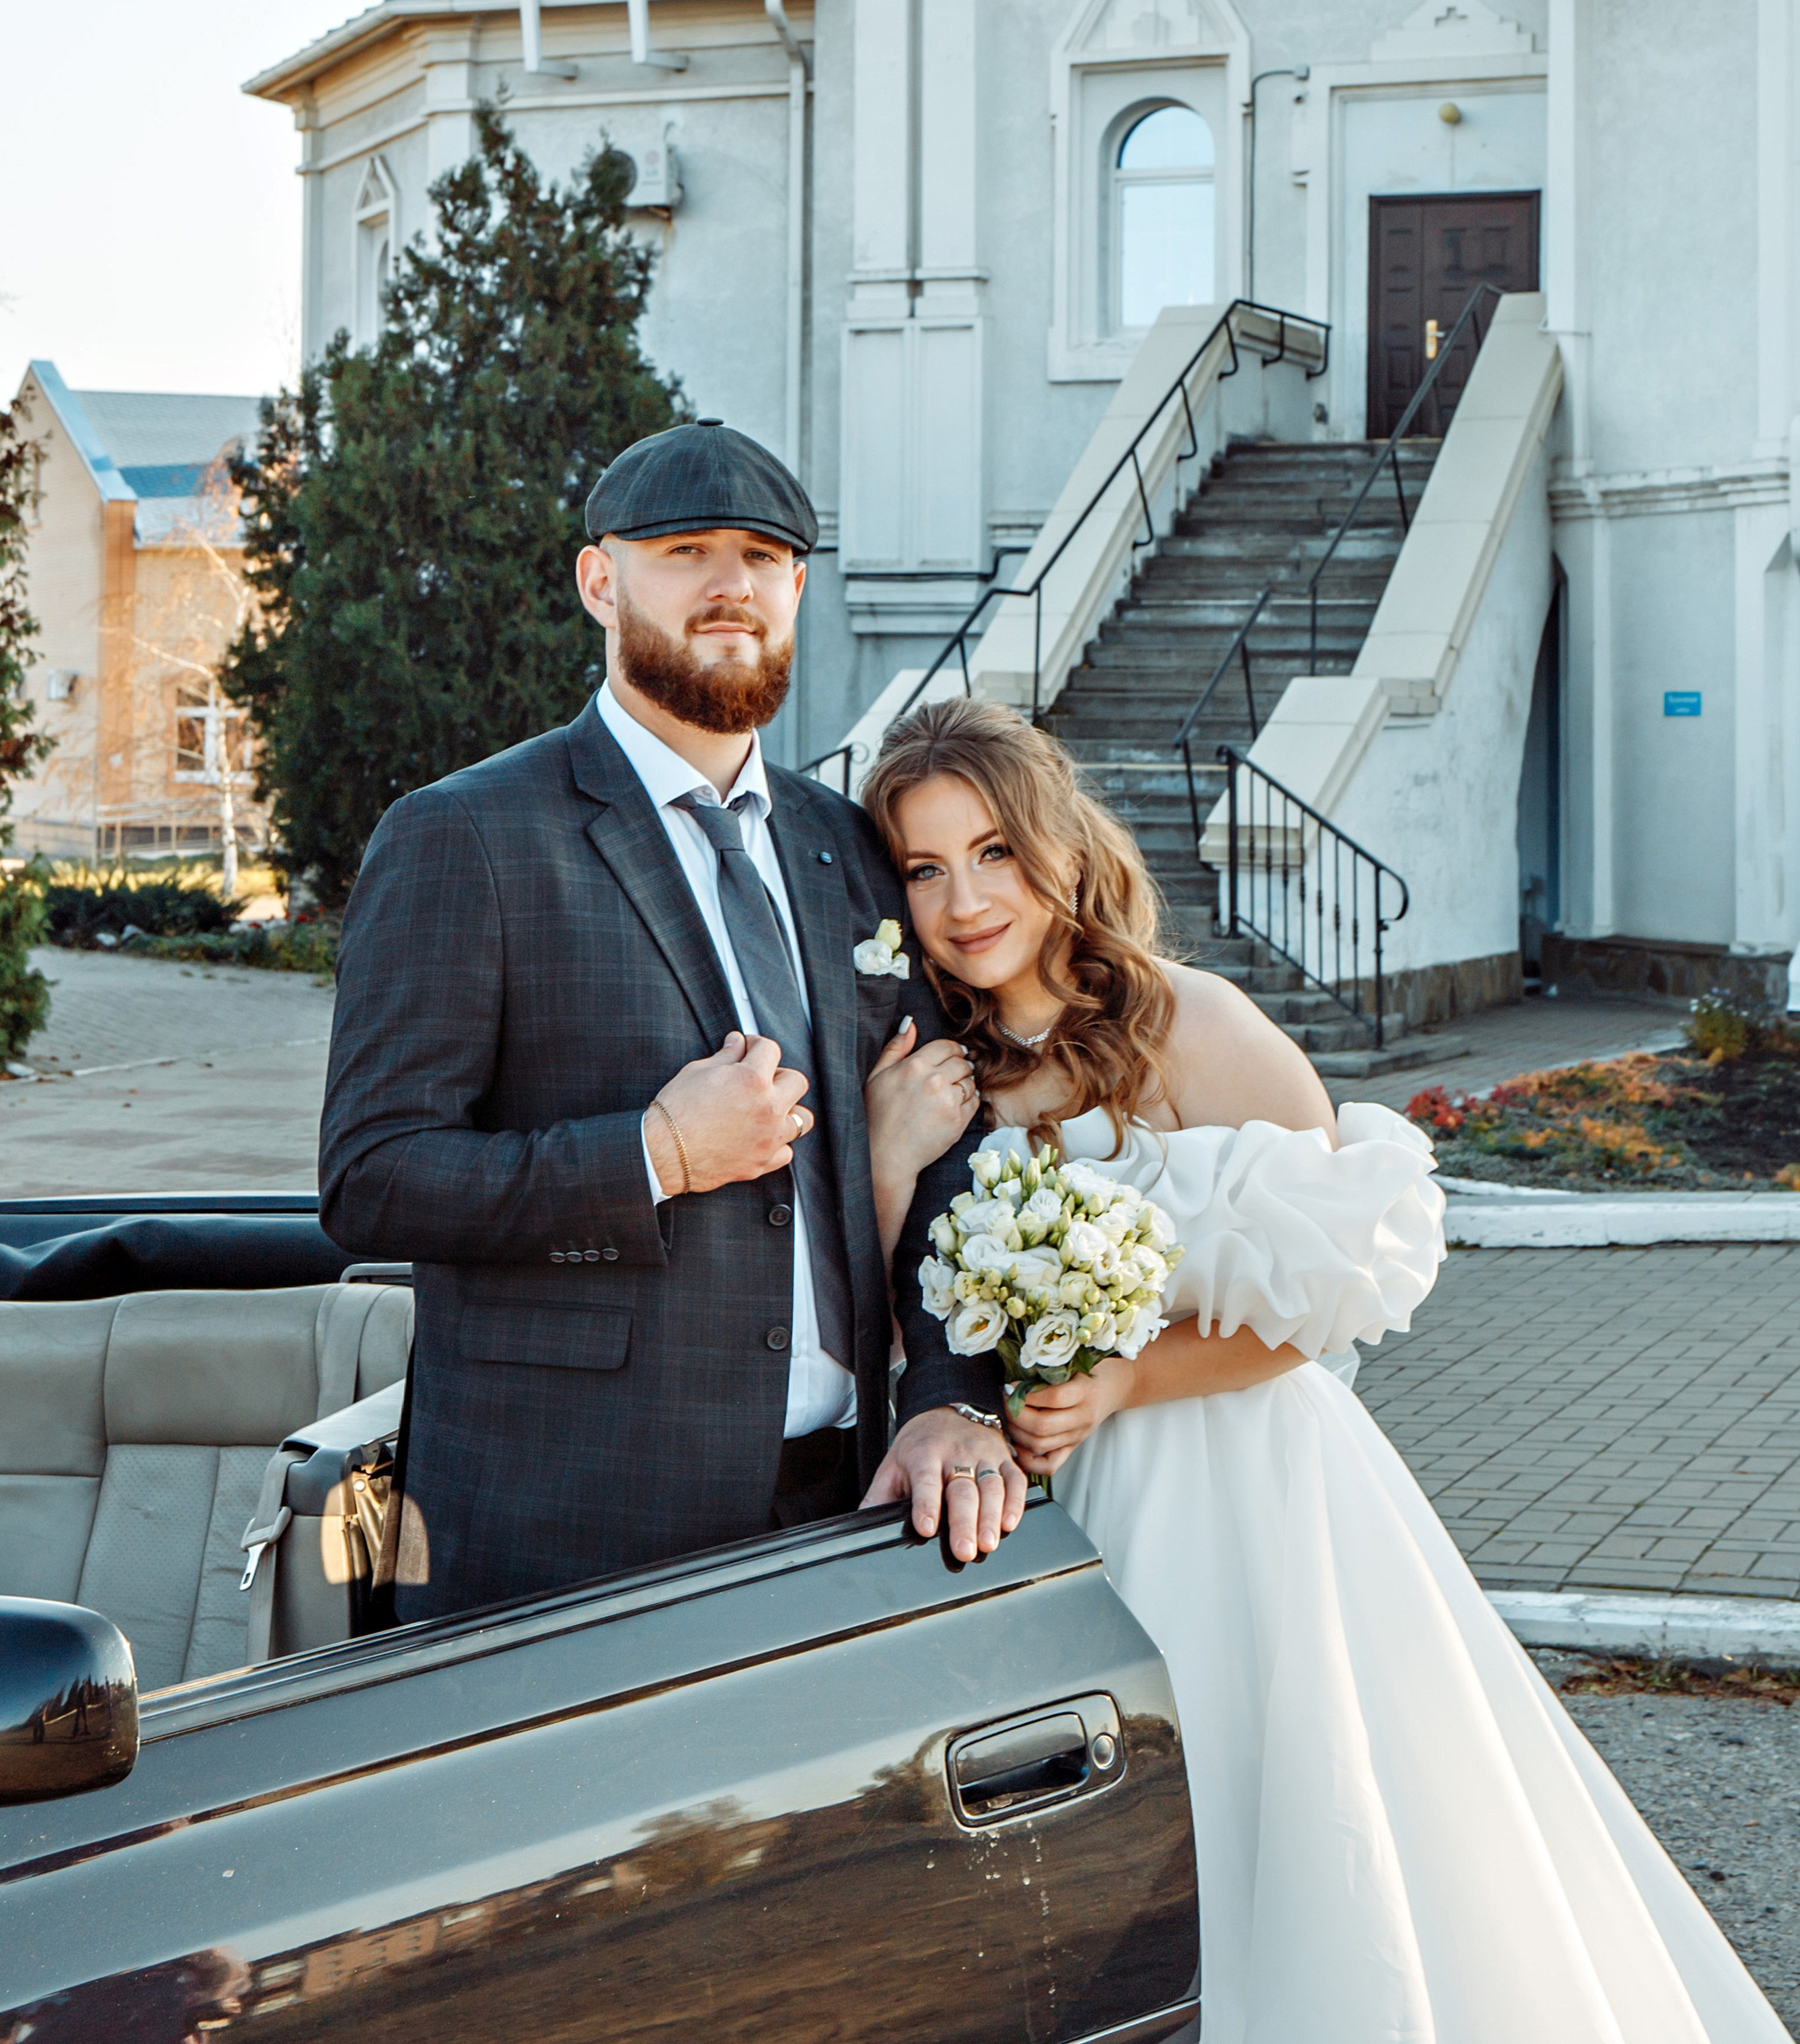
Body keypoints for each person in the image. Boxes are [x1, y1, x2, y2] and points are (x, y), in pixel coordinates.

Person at [861, 694, 1786, 2044]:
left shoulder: (1194, 1023)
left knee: (1298, 1817)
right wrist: (893, 1157)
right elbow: (903, 1337)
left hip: (1247, 1495)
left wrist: (1126, 1381)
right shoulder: (933, 1076)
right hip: (1038, 1515)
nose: (965, 899)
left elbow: (1344, 1282)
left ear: (1057, 844)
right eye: (926, 868)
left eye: (993, 850)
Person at [317, 418, 1022, 1623]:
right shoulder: (467, 836)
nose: (729, 583)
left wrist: (947, 1393)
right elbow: (374, 1179)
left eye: (761, 554)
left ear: (797, 587)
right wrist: (652, 1156)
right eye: (685, 550)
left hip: (842, 1501)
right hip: (571, 1521)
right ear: (602, 580)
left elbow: (942, 1139)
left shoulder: (843, 844)